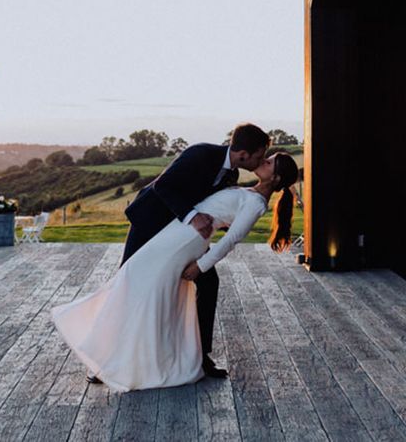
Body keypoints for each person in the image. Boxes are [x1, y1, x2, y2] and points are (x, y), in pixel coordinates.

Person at [50, 150, 298, 392]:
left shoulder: (255, 203)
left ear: (275, 179)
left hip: (183, 242)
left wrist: (200, 266)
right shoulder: (227, 174)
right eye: (264, 157)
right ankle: (108, 355)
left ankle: (127, 359)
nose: (263, 160)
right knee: (133, 282)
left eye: (269, 161)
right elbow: (170, 187)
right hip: (168, 229)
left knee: (146, 290)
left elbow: (230, 240)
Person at [118, 123, 270, 379]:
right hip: (151, 222)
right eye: (260, 155)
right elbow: (163, 186)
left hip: (181, 237)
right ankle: (106, 360)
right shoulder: (200, 154)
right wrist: (193, 217)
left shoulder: (231, 177)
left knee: (209, 282)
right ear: (244, 154)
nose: (262, 160)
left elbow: (213, 209)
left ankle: (200, 357)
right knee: (127, 283)